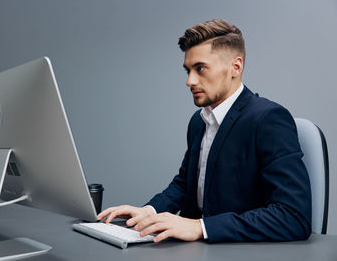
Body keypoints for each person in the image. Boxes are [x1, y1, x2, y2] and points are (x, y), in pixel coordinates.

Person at [97, 19, 312, 243]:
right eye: (188, 70)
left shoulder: (268, 119)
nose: (190, 81)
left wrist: (202, 227)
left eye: (200, 68)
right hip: (194, 251)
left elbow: (293, 217)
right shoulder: (199, 122)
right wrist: (149, 212)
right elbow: (185, 184)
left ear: (235, 67)